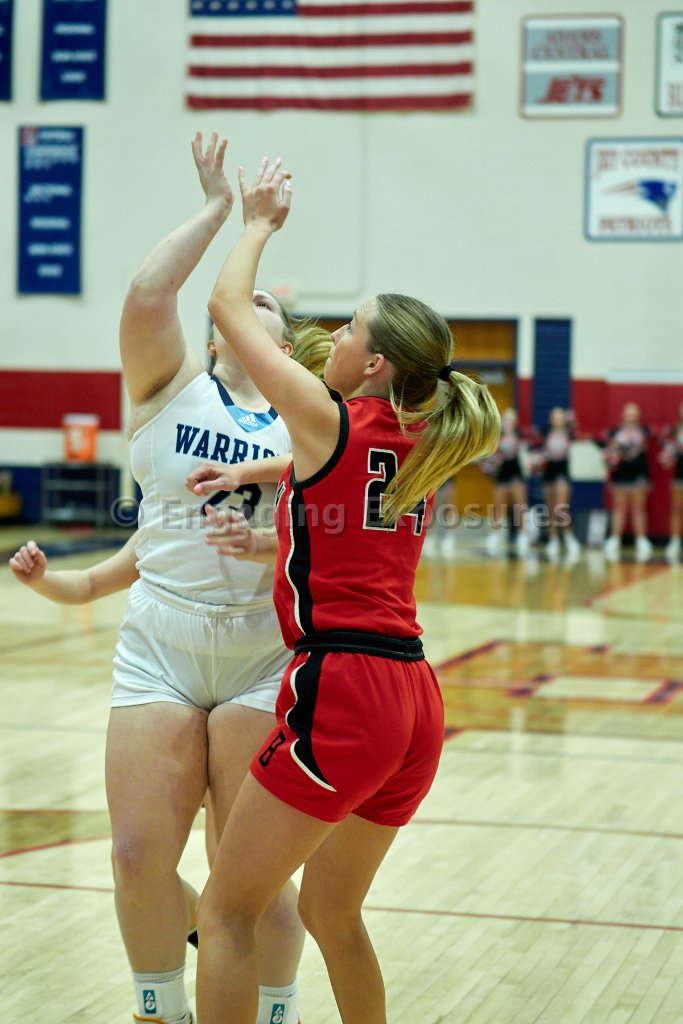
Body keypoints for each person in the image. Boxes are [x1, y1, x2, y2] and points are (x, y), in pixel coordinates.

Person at [193, 156, 500, 1024]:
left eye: (352, 329)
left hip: (345, 692)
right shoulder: (420, 442)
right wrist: (262, 516)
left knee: (226, 910)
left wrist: (257, 223)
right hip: (413, 697)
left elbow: (224, 309)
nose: (336, 335)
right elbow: (344, 541)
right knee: (333, 912)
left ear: (374, 364)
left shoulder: (328, 418)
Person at [107, 132, 331, 1024]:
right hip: (161, 637)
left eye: (268, 303)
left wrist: (270, 548)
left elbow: (335, 544)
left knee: (251, 874)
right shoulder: (172, 385)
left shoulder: (309, 418)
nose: (254, 299)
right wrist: (217, 212)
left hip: (262, 652)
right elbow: (147, 293)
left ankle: (273, 1010)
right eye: (246, 298)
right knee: (136, 854)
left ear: (285, 344)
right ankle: (158, 1009)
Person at [602, 402, 652, 562]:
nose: (631, 417)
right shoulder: (615, 432)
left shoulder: (645, 432)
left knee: (639, 509)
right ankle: (615, 539)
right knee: (619, 509)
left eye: (634, 414)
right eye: (628, 414)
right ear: (623, 415)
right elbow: (609, 453)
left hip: (638, 475)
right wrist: (610, 459)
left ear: (638, 416)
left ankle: (641, 540)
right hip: (621, 476)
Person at [531, 407, 581, 561]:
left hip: (563, 472)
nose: (557, 420)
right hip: (548, 473)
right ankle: (553, 539)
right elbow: (534, 447)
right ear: (551, 419)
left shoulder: (569, 433)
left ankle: (568, 537)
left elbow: (581, 435)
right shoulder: (545, 433)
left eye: (560, 417)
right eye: (555, 417)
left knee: (561, 507)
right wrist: (536, 460)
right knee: (551, 508)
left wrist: (573, 421)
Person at [480, 407, 529, 556]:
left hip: (516, 473)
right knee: (498, 505)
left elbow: (527, 454)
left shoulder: (519, 436)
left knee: (519, 505)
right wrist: (490, 464)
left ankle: (522, 535)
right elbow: (490, 457)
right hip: (502, 474)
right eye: (506, 419)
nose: (508, 422)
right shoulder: (497, 436)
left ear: (515, 422)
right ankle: (495, 534)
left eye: (511, 419)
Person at [658, 402, 683, 562]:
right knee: (677, 509)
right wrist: (667, 457)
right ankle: (674, 541)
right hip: (680, 475)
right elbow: (666, 450)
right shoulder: (674, 430)